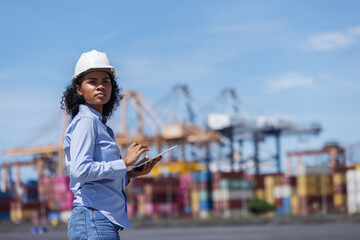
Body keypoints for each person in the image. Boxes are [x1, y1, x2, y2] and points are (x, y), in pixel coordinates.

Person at [61, 50, 161, 240]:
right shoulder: (87, 122)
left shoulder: (99, 124)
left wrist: (131, 173)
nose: (100, 86)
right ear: (78, 89)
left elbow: (99, 180)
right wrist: (123, 163)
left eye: (105, 81)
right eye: (92, 81)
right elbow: (80, 171)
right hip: (93, 219)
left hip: (98, 220)